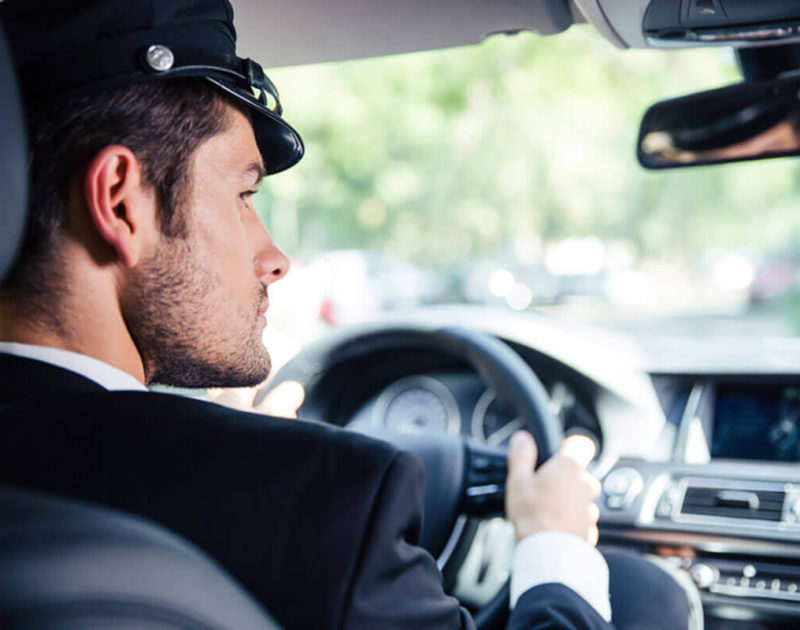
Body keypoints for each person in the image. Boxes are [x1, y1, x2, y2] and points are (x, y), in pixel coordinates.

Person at [0, 1, 692, 628]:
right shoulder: (324, 500)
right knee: (642, 594)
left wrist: (233, 450)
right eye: (245, 195)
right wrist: (554, 546)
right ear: (122, 201)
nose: (276, 257)